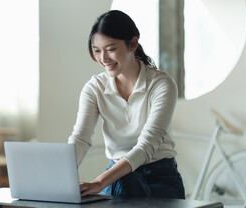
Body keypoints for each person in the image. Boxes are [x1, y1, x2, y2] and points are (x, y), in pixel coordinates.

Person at [68, 10, 185, 199]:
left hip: (160, 175)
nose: (103, 59)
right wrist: (61, 177)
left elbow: (146, 146)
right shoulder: (94, 88)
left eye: (110, 49)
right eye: (97, 51)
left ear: (132, 44)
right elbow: (81, 138)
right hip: (118, 177)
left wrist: (99, 183)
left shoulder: (162, 84)